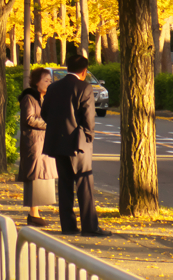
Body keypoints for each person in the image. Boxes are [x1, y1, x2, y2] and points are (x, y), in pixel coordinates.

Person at [40, 55, 107, 236]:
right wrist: (88, 136)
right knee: (84, 183)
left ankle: (68, 226)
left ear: (67, 67)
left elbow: (45, 113)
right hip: (78, 142)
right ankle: (89, 227)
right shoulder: (84, 87)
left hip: (57, 142)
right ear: (84, 71)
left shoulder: (53, 87)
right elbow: (88, 117)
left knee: (64, 184)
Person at [17, 67, 57, 227]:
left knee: (43, 175)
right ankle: (33, 213)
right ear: (37, 82)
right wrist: (50, 124)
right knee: (35, 176)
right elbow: (30, 119)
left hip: (44, 142)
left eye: (50, 81)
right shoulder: (29, 97)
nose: (49, 83)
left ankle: (36, 211)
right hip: (34, 143)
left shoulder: (45, 98)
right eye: (46, 80)